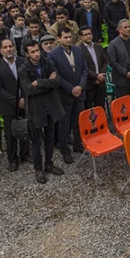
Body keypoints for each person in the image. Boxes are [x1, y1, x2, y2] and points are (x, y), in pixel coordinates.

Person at [18, 39, 65, 183]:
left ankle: (49, 164)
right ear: (27, 54)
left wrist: (39, 82)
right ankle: (38, 169)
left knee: (50, 137)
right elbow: (29, 90)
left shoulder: (47, 62)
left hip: (50, 106)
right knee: (36, 141)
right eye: (32, 52)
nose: (37, 54)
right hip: (35, 109)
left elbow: (58, 81)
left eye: (37, 50)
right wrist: (48, 83)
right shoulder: (23, 70)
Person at [50, 27, 88, 163]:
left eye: (69, 37)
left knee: (79, 121)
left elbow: (84, 69)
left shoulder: (78, 50)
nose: (68, 39)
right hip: (65, 94)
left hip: (79, 92)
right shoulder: (53, 55)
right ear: (59, 39)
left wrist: (80, 86)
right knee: (64, 125)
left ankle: (78, 145)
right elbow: (57, 76)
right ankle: (65, 150)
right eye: (65, 37)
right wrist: (71, 88)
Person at [0, 38, 25, 172]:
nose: (8, 49)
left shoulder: (23, 61)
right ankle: (12, 159)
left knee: (25, 129)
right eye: (5, 47)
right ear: (1, 50)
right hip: (9, 105)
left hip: (25, 103)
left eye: (11, 46)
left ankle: (25, 153)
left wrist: (25, 99)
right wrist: (17, 101)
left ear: (15, 48)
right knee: (10, 134)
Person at [107, 20, 130, 101]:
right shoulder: (113, 44)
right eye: (125, 27)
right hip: (121, 78)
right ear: (119, 30)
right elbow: (113, 62)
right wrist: (125, 73)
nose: (128, 29)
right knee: (122, 102)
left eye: (129, 27)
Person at [78, 25, 108, 110]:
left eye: (90, 34)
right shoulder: (78, 50)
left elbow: (105, 62)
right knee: (89, 107)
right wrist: (96, 76)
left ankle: (101, 122)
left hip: (101, 81)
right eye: (85, 34)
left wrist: (101, 75)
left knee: (101, 106)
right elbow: (82, 67)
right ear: (80, 37)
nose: (88, 36)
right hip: (89, 83)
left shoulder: (98, 46)